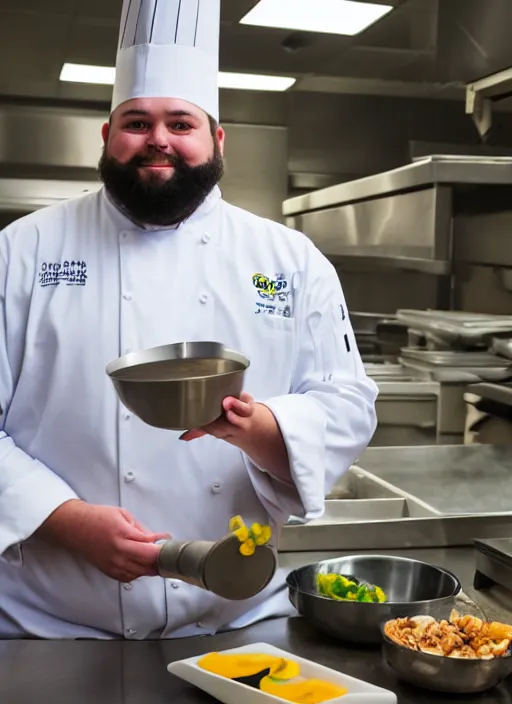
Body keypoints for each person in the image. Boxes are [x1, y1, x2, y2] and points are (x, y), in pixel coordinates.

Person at [0, 0, 378, 639]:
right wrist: (61, 516)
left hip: (235, 619)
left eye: (181, 122)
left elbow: (348, 404)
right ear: (106, 135)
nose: (159, 140)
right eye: (136, 121)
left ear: (217, 139)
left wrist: (264, 429)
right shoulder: (23, 250)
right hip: (53, 622)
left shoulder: (289, 259)